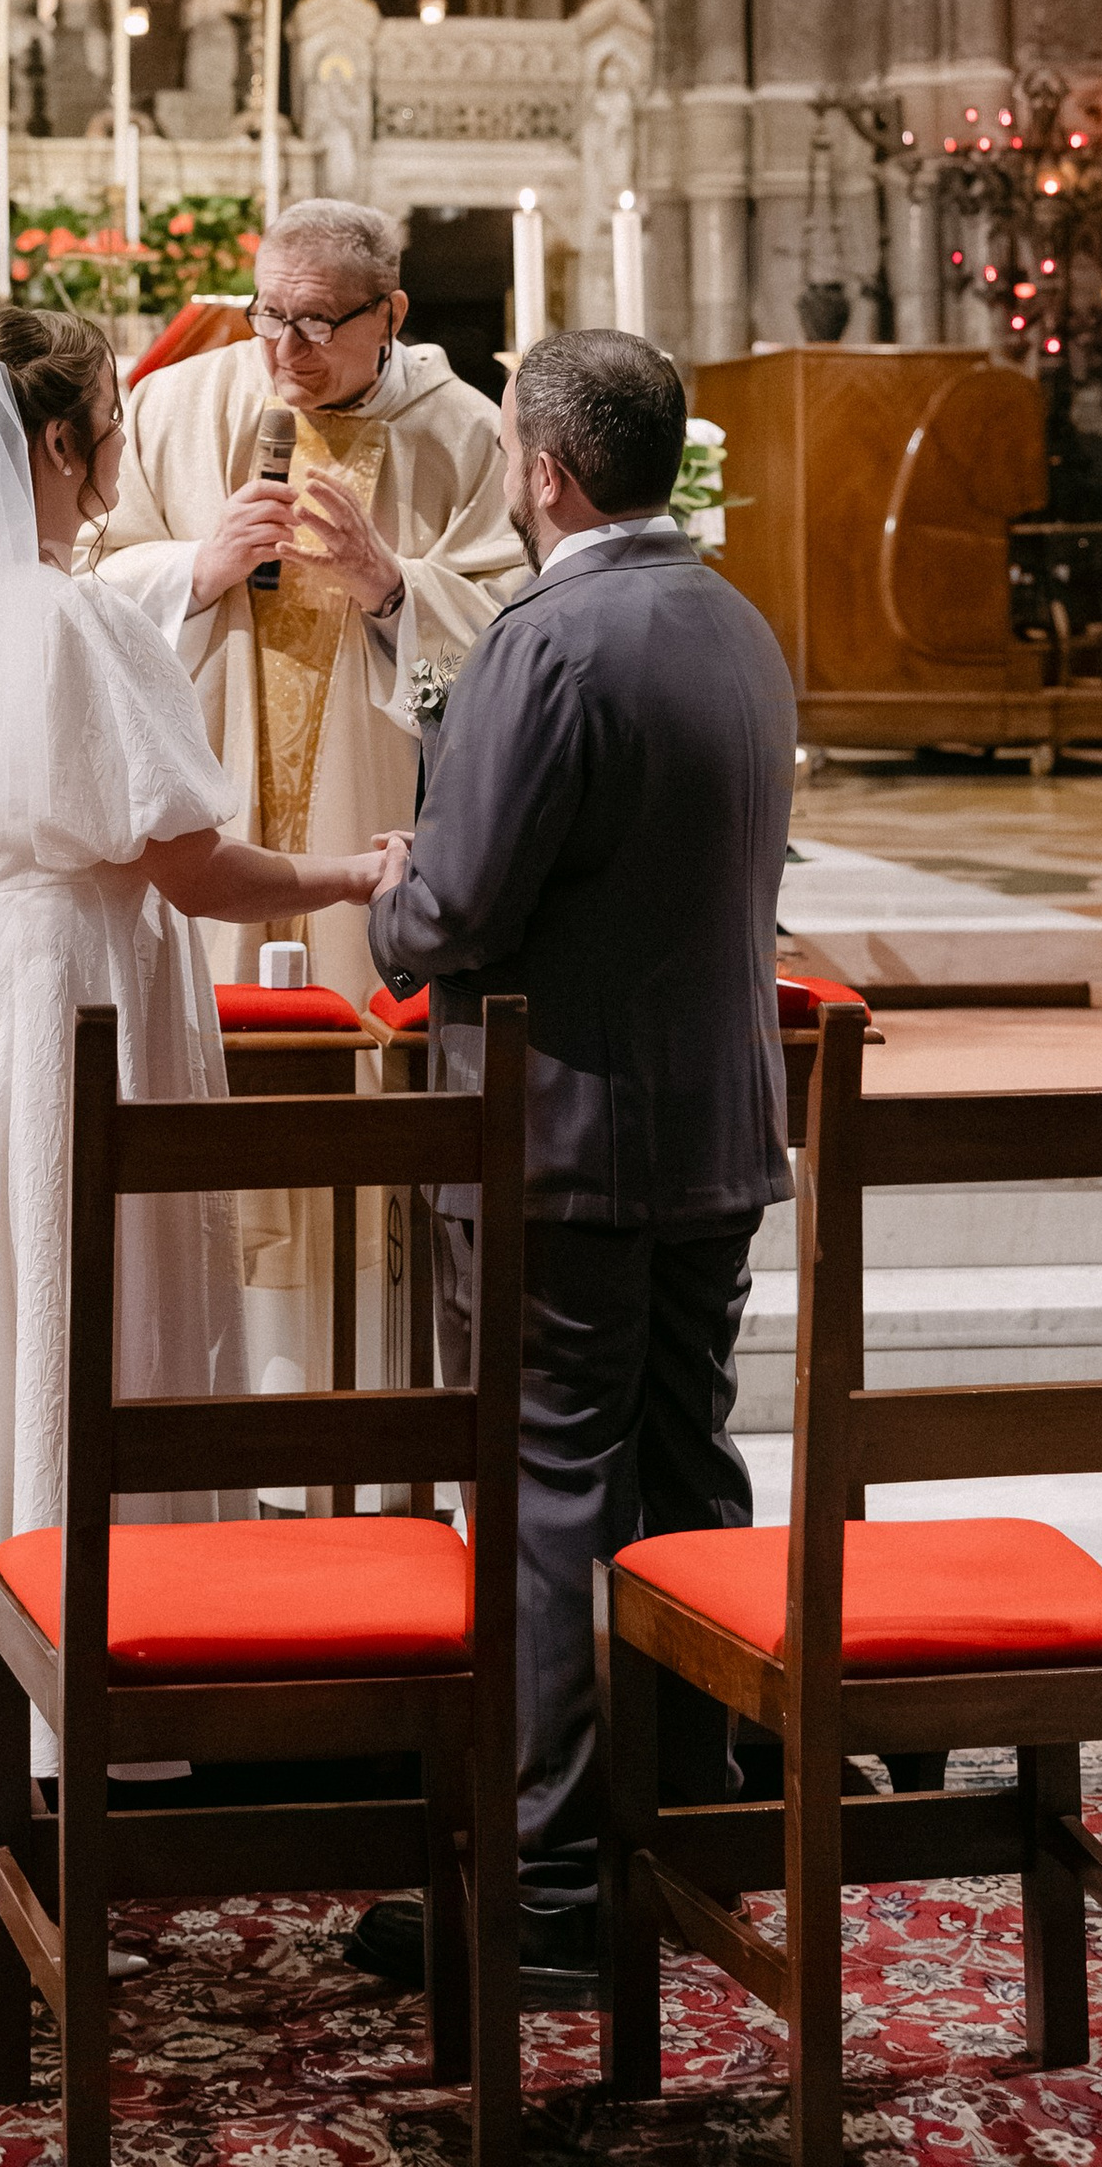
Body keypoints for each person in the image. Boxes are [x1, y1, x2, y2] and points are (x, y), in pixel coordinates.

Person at [0, 311, 393, 1970]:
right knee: (49, 1356)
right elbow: (189, 865)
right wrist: (346, 881)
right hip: (67, 1008)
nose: (121, 457)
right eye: (110, 429)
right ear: (58, 451)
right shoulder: (59, 621)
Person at [349, 326, 798, 1997]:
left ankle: (543, 1898)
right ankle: (698, 1818)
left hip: (567, 1138)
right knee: (688, 1471)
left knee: (548, 1500)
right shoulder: (736, 623)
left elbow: (460, 908)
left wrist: (399, 887)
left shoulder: (551, 639)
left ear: (543, 470)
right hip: (720, 1127)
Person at [96, 197, 519, 1380]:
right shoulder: (179, 407)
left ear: (390, 313)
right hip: (206, 825)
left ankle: (358, 1417)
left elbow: (517, 634)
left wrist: (397, 591)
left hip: (369, 829)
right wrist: (193, 566)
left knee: (361, 1105)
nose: (283, 350)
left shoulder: (465, 435)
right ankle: (214, 1400)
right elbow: (81, 582)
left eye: (317, 323)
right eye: (266, 315)